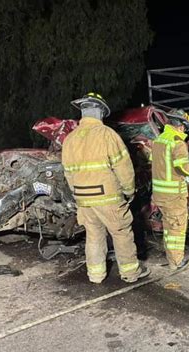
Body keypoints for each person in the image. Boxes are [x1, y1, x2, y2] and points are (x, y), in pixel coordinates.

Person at [62, 92, 150, 283]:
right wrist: (128, 191)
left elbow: (68, 173)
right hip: (108, 197)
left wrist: (78, 195)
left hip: (84, 199)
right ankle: (130, 272)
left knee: (93, 235)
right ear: (101, 113)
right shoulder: (107, 135)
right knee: (121, 233)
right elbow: (124, 168)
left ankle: (95, 275)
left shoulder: (70, 139)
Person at [151, 108, 189, 270]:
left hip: (159, 194)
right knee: (176, 229)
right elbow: (184, 168)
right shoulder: (177, 142)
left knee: (168, 227)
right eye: (184, 127)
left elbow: (162, 164)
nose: (183, 130)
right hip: (173, 195)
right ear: (180, 125)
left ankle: (171, 257)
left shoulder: (159, 140)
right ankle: (176, 263)